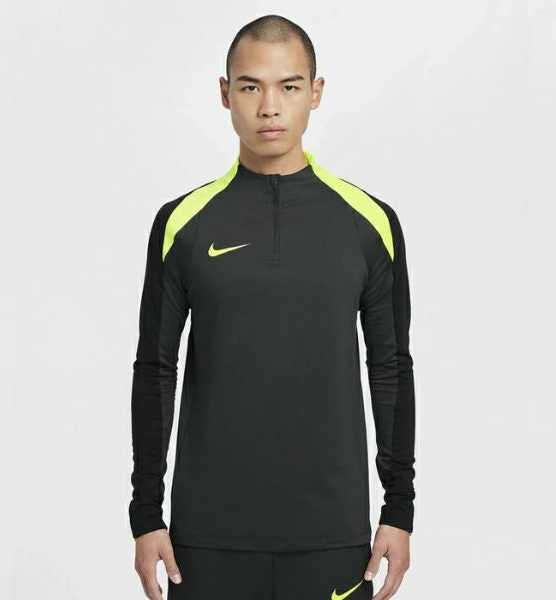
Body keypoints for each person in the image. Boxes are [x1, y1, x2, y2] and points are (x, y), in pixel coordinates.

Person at [129, 14, 416, 600]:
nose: (269, 108)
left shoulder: (369, 224)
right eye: (250, 86)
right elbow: (155, 369)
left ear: (315, 92)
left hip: (334, 537)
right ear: (225, 93)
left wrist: (399, 509)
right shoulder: (182, 225)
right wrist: (146, 513)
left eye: (288, 87)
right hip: (205, 539)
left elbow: (390, 368)